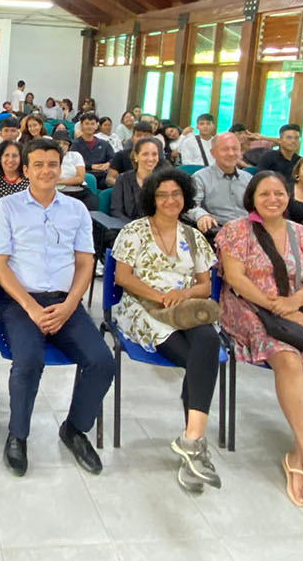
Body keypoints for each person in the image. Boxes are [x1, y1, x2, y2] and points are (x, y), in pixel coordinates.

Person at [217, 171, 303, 515]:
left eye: (279, 193)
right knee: (287, 358)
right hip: (249, 307)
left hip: (296, 309)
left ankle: (301, 455)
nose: (273, 199)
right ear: (252, 197)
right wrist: (277, 306)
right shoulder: (236, 231)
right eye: (265, 194)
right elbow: (235, 279)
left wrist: (292, 304)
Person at [0, 138, 112, 476]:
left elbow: (85, 263)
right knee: (28, 362)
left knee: (102, 362)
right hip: (21, 302)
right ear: (25, 170)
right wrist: (29, 307)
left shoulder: (76, 210)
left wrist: (71, 305)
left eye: (52, 165)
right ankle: (18, 435)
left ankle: (74, 428)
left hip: (65, 301)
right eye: (38, 165)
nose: (46, 171)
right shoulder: (8, 208)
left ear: (61, 169)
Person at [110, 169, 223, 491]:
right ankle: (195, 446)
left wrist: (182, 295)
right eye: (162, 195)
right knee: (198, 359)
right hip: (144, 308)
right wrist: (161, 297)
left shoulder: (194, 237)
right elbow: (123, 278)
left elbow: (204, 286)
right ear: (152, 198)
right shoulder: (135, 231)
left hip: (185, 309)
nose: (170, 200)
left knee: (208, 339)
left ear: (185, 197)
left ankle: (192, 439)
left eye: (176, 194)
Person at [188, 132, 249, 236]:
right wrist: (202, 216)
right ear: (213, 153)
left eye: (235, 149)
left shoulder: (249, 179)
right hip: (218, 232)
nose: (231, 153)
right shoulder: (200, 178)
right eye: (225, 149)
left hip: (249, 231)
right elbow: (191, 206)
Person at [109, 138, 164, 222]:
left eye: (154, 154)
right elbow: (116, 211)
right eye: (145, 154)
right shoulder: (123, 179)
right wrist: (135, 227)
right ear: (136, 156)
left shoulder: (164, 181)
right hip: (128, 228)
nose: (150, 158)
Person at [106, 122, 156, 188]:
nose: (142, 138)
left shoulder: (156, 157)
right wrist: (124, 185)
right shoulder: (121, 155)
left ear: (152, 138)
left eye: (146, 135)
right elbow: (109, 179)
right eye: (138, 135)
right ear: (132, 138)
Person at [69, 113, 113, 186]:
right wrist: (91, 166)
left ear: (96, 126)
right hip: (85, 176)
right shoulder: (76, 144)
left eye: (92, 124)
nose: (89, 126)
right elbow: (73, 162)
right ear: (81, 126)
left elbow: (113, 158)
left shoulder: (104, 144)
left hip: (103, 176)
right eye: (87, 124)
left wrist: (108, 164)